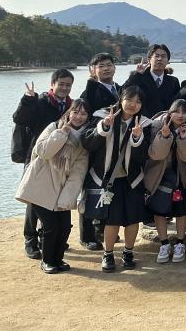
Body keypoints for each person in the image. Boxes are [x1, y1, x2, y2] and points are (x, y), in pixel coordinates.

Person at [15, 98, 91, 273]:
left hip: (61, 188)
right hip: (39, 185)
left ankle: (57, 259)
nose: (79, 116)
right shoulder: (53, 127)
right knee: (50, 226)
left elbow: (78, 172)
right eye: (75, 112)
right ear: (69, 113)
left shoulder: (83, 141)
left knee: (64, 227)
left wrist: (67, 197)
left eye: (83, 114)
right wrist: (61, 134)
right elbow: (43, 152)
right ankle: (47, 261)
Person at [82, 86, 153, 273]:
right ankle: (108, 254)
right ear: (121, 99)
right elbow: (88, 143)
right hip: (108, 178)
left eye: (138, 101)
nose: (133, 104)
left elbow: (143, 157)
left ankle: (128, 252)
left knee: (132, 219)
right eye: (129, 99)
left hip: (132, 179)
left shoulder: (144, 124)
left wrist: (137, 138)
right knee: (112, 219)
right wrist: (104, 127)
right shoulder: (103, 116)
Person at [12, 68, 74, 259]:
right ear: (52, 84)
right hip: (37, 157)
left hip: (60, 161)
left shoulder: (71, 106)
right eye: (61, 84)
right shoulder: (40, 102)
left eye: (68, 85)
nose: (64, 88)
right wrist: (27, 99)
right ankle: (30, 240)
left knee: (55, 198)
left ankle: (47, 237)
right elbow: (19, 119)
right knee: (34, 199)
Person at [144, 99, 186, 264]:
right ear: (170, 112)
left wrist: (184, 138)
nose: (180, 115)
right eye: (177, 111)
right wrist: (164, 136)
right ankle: (164, 244)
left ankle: (180, 243)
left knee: (181, 211)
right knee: (159, 210)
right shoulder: (156, 125)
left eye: (184, 112)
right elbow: (156, 155)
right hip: (159, 175)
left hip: (180, 175)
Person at [79, 53, 121, 250]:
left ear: (114, 68)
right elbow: (83, 115)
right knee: (90, 189)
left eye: (109, 64)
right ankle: (86, 235)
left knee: (108, 188)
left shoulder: (120, 89)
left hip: (114, 147)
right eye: (101, 66)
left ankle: (103, 228)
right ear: (93, 70)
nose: (106, 68)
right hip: (96, 146)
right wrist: (91, 83)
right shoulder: (89, 91)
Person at [124, 44, 180, 118]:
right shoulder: (138, 78)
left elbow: (177, 103)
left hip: (165, 121)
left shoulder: (173, 81)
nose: (160, 59)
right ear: (149, 59)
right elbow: (123, 92)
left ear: (167, 61)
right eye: (157, 56)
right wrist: (137, 74)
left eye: (163, 56)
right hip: (141, 121)